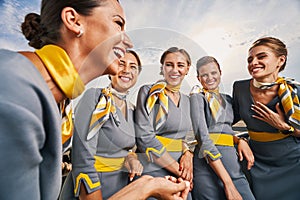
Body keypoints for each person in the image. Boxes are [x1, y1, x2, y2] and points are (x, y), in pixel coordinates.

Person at [0, 0, 190, 199]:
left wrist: (146, 183)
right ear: (74, 21)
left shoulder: (58, 104)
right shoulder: (12, 87)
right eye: (118, 23)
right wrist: (146, 189)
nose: (129, 42)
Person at [60, 50, 144, 199]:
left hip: (121, 185)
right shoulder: (94, 97)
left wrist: (131, 158)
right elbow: (82, 157)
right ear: (111, 70)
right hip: (93, 187)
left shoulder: (133, 109)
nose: (126, 70)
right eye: (121, 64)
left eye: (133, 67)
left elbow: (128, 147)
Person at [232, 36, 300, 199]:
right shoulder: (240, 88)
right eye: (250, 59)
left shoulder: (295, 91)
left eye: (261, 57)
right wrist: (239, 140)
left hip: (293, 162)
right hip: (255, 160)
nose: (253, 62)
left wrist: (285, 127)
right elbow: (223, 123)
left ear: (280, 60)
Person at [189, 56, 255, 200]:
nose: (210, 78)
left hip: (233, 165)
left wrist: (240, 141)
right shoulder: (197, 98)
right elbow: (203, 137)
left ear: (220, 72)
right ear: (198, 78)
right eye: (204, 75)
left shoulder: (229, 100)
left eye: (213, 73)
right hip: (206, 166)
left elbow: (227, 130)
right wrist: (228, 183)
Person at [135, 47, 194, 199]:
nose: (175, 70)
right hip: (152, 168)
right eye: (169, 65)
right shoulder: (148, 91)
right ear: (162, 68)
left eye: (180, 65)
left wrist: (187, 152)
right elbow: (144, 138)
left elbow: (182, 138)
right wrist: (179, 171)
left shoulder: (188, 101)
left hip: (181, 170)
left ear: (187, 69)